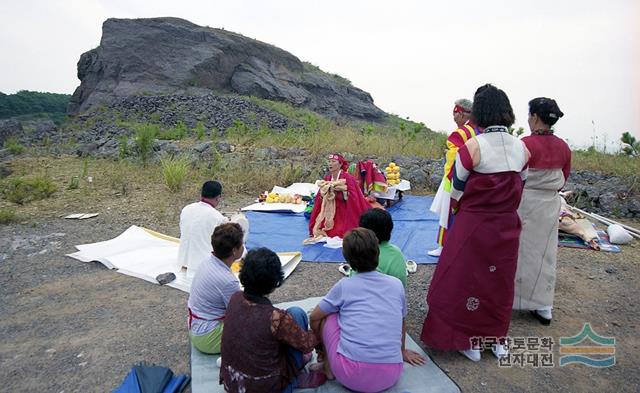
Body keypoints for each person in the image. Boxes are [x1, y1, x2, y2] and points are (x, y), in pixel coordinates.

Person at [420, 84, 530, 362]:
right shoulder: (522, 148)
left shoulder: (473, 146)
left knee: (464, 279)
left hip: (475, 225)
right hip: (506, 226)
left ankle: (468, 340)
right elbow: (521, 185)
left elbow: (456, 186)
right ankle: (497, 338)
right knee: (499, 281)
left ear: (478, 112)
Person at [310, 228, 425, 393]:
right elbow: (401, 322)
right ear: (378, 253)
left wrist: (321, 346)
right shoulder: (396, 285)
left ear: (347, 259)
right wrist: (401, 351)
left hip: (348, 375)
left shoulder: (344, 286)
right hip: (390, 374)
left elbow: (314, 317)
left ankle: (328, 366)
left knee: (329, 315)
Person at [220, 248, 326, 393]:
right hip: (267, 387)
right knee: (298, 314)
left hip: (233, 383)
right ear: (274, 281)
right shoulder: (276, 318)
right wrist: (324, 327)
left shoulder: (235, 298)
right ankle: (294, 380)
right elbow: (307, 344)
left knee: (294, 316)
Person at [513, 97, 571, 325]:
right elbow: (563, 178)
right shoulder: (563, 147)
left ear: (535, 117)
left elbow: (514, 175)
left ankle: (514, 299)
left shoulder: (524, 144)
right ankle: (544, 305)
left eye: (529, 115)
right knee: (546, 254)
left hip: (524, 203)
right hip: (549, 205)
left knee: (518, 252)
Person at [428, 98, 481, 257]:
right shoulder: (480, 130)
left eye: (455, 113)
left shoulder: (460, 133)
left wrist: (450, 180)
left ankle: (444, 246)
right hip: (475, 180)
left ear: (463, 114)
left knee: (448, 213)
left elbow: (454, 160)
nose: (454, 116)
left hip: (456, 179)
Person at [187, 223, 244, 354]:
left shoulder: (207, 262)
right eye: (242, 243)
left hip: (197, 326)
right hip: (207, 337)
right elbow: (238, 313)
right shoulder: (228, 281)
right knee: (258, 327)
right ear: (235, 251)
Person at [307, 153, 371, 240]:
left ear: (340, 164)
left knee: (340, 232)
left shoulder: (348, 178)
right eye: (329, 161)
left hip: (344, 209)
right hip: (329, 210)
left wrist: (339, 192)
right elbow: (319, 198)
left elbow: (353, 197)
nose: (330, 164)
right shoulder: (327, 179)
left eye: (333, 161)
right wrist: (325, 192)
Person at [178, 180, 228, 275]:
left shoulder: (186, 209)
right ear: (218, 198)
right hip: (202, 267)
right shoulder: (218, 218)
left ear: (201, 194)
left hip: (182, 260)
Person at [349, 208, 408, 288]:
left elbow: (354, 283)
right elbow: (402, 284)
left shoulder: (361, 253)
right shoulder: (396, 253)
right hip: (393, 297)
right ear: (390, 229)